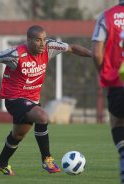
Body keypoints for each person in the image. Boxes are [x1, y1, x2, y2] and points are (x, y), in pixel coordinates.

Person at [0, 25, 92, 176]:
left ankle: (1, 163)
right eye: (38, 40)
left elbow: (72, 48)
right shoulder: (15, 55)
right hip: (14, 99)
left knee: (17, 136)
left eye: (44, 39)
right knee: (42, 117)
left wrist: (93, 54)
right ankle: (47, 159)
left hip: (32, 100)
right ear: (28, 40)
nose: (42, 43)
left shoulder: (49, 47)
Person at [91, 1, 124, 183]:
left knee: (118, 123)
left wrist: (103, 73)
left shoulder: (108, 16)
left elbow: (96, 53)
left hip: (118, 81)